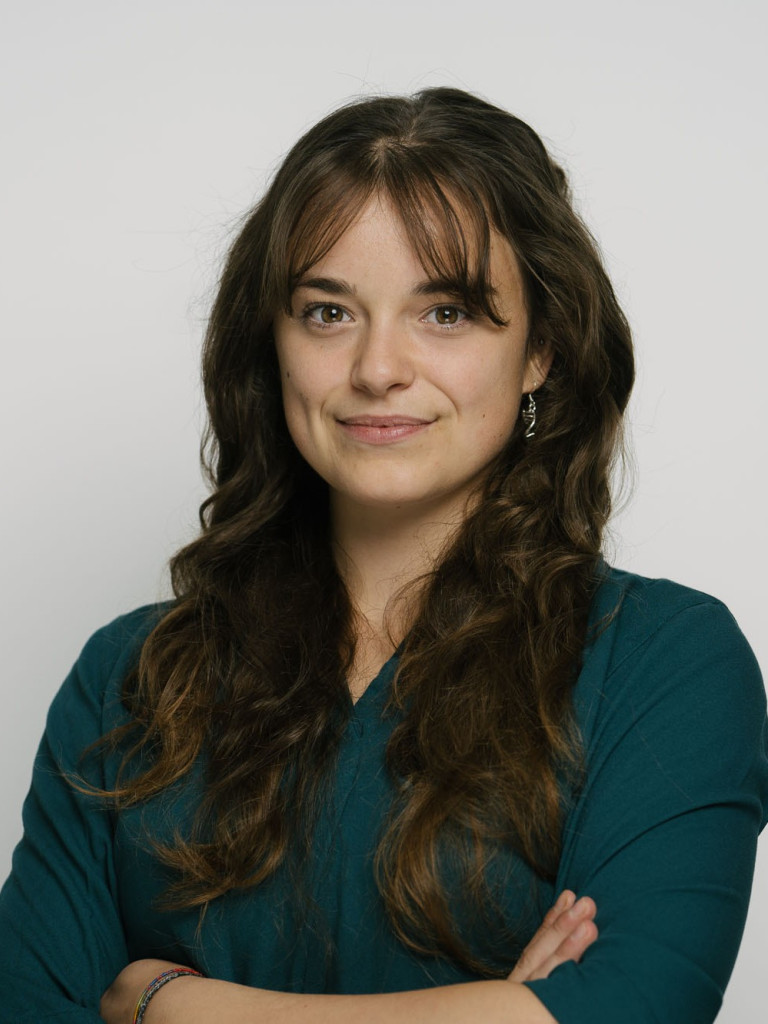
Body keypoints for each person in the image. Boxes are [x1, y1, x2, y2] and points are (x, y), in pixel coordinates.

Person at [0, 87, 766, 1024]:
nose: (376, 369)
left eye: (445, 312)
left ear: (542, 349)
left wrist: (166, 1003)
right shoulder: (129, 677)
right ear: (272, 344)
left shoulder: (667, 664)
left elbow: (636, 1008)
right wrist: (504, 1010)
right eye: (328, 312)